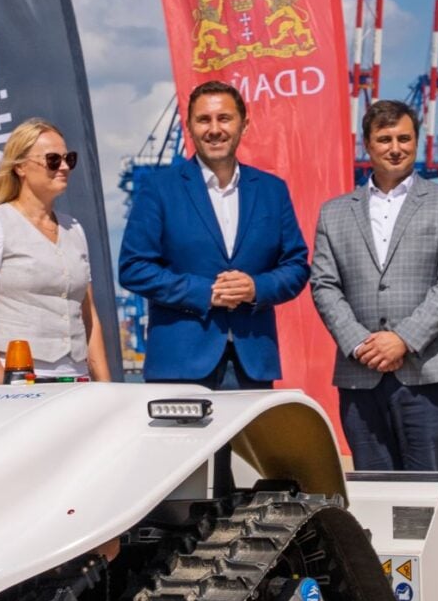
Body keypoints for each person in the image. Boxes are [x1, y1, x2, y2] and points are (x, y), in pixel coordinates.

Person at [310, 99, 438, 471]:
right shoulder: (334, 211)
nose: (396, 148)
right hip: (360, 373)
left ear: (416, 142)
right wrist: (358, 343)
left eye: (404, 138)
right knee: (373, 492)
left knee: (433, 493)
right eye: (384, 139)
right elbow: (323, 284)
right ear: (368, 145)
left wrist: (403, 339)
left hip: (428, 372)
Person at [119, 79, 310, 396]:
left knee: (251, 448)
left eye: (224, 118)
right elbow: (133, 267)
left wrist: (255, 287)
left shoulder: (272, 190)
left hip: (253, 364)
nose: (214, 129)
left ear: (244, 124)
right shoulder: (159, 189)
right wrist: (205, 292)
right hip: (179, 366)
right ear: (189, 126)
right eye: (203, 120)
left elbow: (296, 266)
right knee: (183, 449)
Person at [0, 118, 111, 385]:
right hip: (17, 378)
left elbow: (88, 315)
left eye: (68, 159)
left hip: (75, 380)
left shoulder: (74, 229)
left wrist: (107, 386)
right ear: (20, 167)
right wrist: (2, 386)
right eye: (53, 160)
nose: (64, 167)